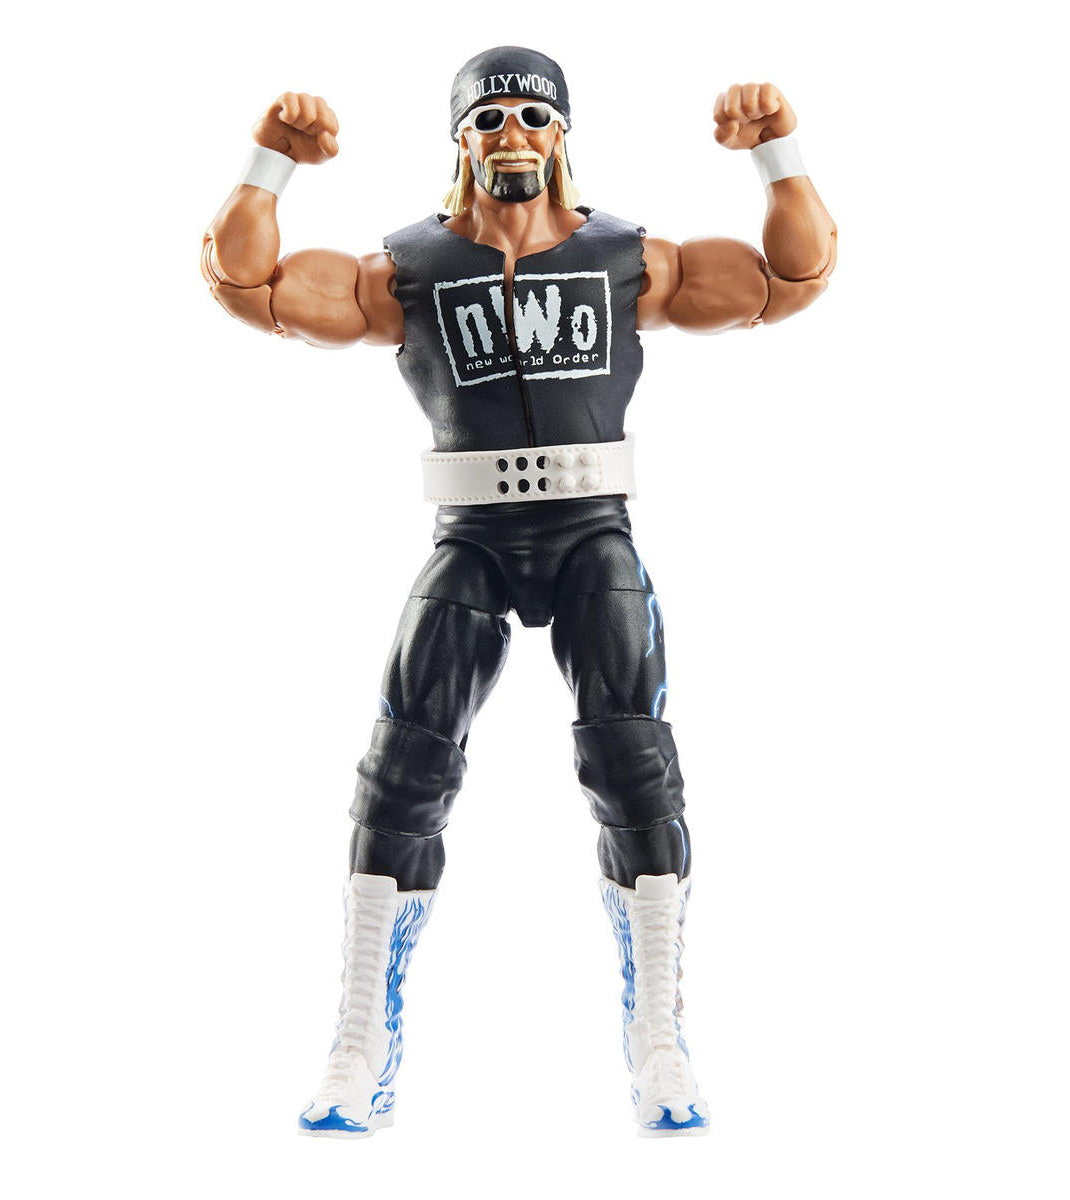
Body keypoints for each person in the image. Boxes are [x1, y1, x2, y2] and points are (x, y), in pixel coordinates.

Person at [202, 46, 836, 1138]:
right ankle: (360, 1042)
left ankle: (659, 1037)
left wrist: (776, 153)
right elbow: (251, 286)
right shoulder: (409, 268)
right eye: (490, 116)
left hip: (592, 532)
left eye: (532, 116)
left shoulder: (625, 257)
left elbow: (791, 278)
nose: (512, 133)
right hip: (476, 539)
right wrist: (271, 162)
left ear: (561, 133)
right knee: (401, 770)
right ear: (461, 135)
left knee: (636, 765)